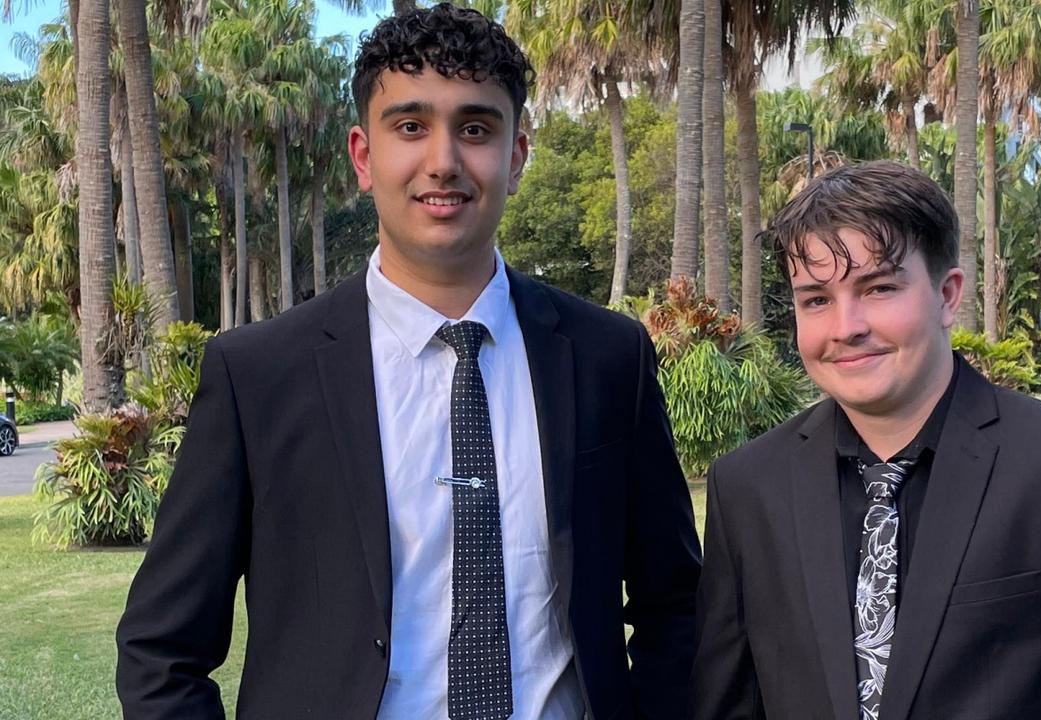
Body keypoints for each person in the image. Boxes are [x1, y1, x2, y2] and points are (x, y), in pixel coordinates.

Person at [116, 6, 701, 719]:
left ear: (516, 157)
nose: (444, 161)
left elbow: (676, 606)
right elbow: (161, 650)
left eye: (477, 129)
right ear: (364, 156)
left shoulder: (608, 356)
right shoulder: (259, 376)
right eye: (411, 126)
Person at [690, 161, 1041, 720]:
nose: (846, 326)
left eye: (879, 288)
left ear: (947, 295)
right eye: (816, 299)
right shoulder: (749, 487)